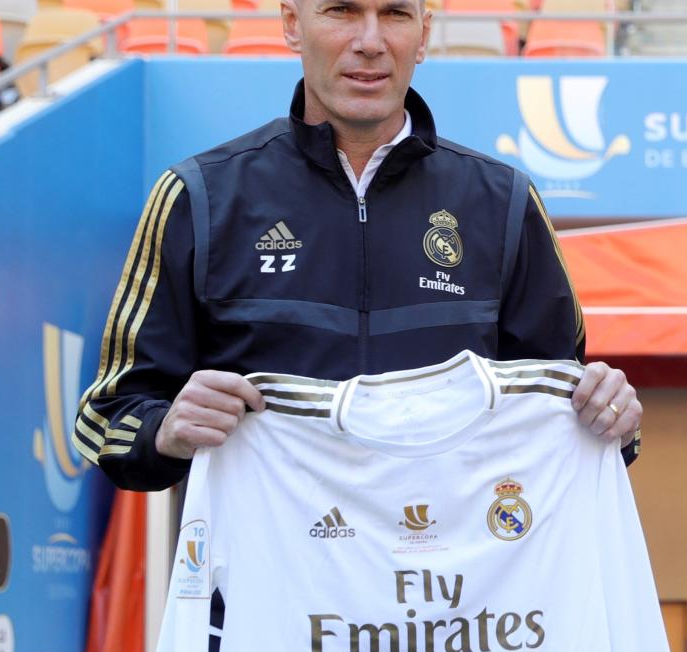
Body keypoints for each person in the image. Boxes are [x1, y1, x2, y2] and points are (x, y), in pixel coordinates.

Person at [72, 0, 642, 490]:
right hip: (261, 596)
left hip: (451, 603)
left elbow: (562, 406)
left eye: (394, 13)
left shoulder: (504, 203)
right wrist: (164, 429)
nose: (369, 42)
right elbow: (108, 416)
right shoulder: (198, 197)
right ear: (292, 24)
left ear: (424, 32)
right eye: (342, 10)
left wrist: (611, 415)